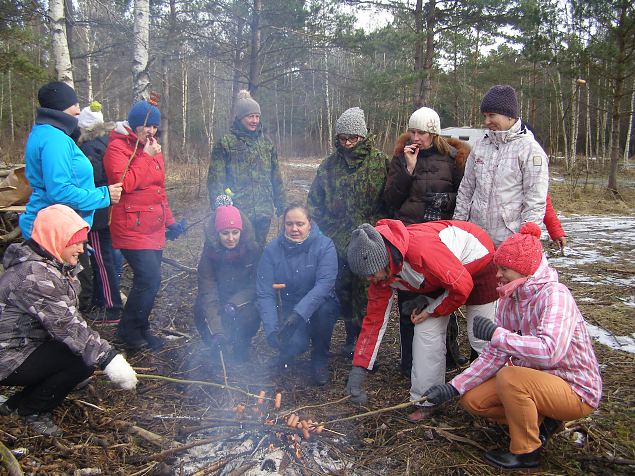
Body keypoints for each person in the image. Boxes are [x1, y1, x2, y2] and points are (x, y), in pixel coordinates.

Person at [422, 223, 601, 470]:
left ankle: (527, 453)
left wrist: (498, 335)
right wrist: (453, 388)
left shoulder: (555, 296)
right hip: (536, 382)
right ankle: (538, 422)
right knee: (472, 400)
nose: (497, 275)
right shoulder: (510, 298)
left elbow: (550, 352)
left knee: (510, 377)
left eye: (504, 269)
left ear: (523, 269)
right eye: (498, 268)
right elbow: (494, 355)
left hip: (574, 389)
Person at [0, 205, 138, 437]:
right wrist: (108, 358)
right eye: (75, 242)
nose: (81, 249)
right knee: (81, 362)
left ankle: (15, 404)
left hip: (24, 346)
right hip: (7, 355)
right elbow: (67, 325)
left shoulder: (51, 265)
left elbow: (69, 320)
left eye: (82, 242)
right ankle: (29, 410)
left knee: (80, 357)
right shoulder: (34, 276)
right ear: (56, 239)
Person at [344, 220, 498, 422]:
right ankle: (428, 400)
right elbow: (374, 322)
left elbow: (462, 287)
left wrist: (433, 311)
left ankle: (507, 391)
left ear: (382, 260)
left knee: (480, 336)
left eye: (372, 274)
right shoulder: (381, 274)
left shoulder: (422, 252)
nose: (370, 280)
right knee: (425, 331)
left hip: (479, 265)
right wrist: (359, 369)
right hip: (445, 275)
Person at [384, 106, 476, 374]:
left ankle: (448, 356)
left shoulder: (455, 158)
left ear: (433, 133)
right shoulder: (402, 157)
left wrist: (448, 206)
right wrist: (408, 170)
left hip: (441, 240)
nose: (415, 137)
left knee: (442, 298)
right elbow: (390, 199)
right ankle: (408, 361)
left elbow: (465, 195)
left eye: (421, 132)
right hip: (409, 239)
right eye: (412, 131)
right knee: (408, 300)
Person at [103, 100, 186, 350]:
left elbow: (158, 191)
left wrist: (170, 223)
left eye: (154, 126)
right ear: (133, 124)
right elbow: (123, 184)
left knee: (151, 280)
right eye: (145, 126)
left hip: (153, 226)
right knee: (148, 278)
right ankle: (128, 331)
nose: (150, 131)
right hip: (130, 224)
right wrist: (146, 158)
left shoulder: (152, 148)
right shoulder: (117, 148)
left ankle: (141, 327)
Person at [307, 107, 389, 355]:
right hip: (337, 242)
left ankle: (364, 344)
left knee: (367, 294)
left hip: (370, 243)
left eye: (353, 137)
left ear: (363, 136)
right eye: (343, 138)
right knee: (340, 291)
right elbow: (314, 203)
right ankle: (348, 338)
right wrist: (328, 232)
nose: (348, 143)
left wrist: (380, 232)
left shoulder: (379, 162)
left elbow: (391, 202)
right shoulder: (328, 166)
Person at [19, 81, 122, 240]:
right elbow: (59, 192)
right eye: (75, 104)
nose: (79, 110)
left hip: (58, 227)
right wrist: (104, 195)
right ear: (62, 106)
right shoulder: (55, 139)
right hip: (54, 231)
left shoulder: (46, 133)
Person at [453, 84, 549, 246]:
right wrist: (458, 225)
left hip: (509, 239)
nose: (487, 121)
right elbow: (466, 189)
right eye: (485, 116)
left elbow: (535, 200)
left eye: (492, 115)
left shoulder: (529, 149)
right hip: (475, 238)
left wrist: (526, 240)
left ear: (509, 115)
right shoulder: (480, 146)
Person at [256, 204, 339, 385]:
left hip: (317, 305)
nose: (294, 229)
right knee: (295, 344)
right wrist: (271, 329)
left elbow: (324, 285)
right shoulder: (271, 250)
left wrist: (299, 314)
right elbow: (264, 293)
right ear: (283, 225)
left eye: (300, 224)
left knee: (326, 309)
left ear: (309, 224)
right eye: (289, 224)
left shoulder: (325, 246)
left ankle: (319, 359)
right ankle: (287, 353)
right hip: (287, 305)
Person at [207, 90, 286, 246]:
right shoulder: (226, 143)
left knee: (259, 250)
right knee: (238, 254)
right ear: (240, 118)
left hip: (264, 210)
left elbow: (275, 176)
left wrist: (281, 203)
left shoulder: (266, 144)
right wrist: (221, 208)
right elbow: (216, 180)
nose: (255, 120)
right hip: (237, 211)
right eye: (250, 116)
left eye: (257, 116)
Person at [194, 195, 261, 362]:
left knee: (250, 315)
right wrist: (216, 331)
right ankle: (217, 345)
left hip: (242, 299)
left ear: (241, 231)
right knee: (199, 309)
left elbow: (256, 285)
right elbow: (208, 291)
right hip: (219, 296)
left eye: (235, 232)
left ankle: (241, 344)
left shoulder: (252, 249)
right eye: (225, 233)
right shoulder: (209, 254)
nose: (231, 238)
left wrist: (235, 303)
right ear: (217, 234)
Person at [77, 101, 124, 323]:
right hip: (107, 209)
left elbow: (93, 180)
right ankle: (101, 299)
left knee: (101, 260)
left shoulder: (89, 147)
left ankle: (112, 307)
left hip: (96, 212)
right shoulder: (108, 142)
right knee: (106, 257)